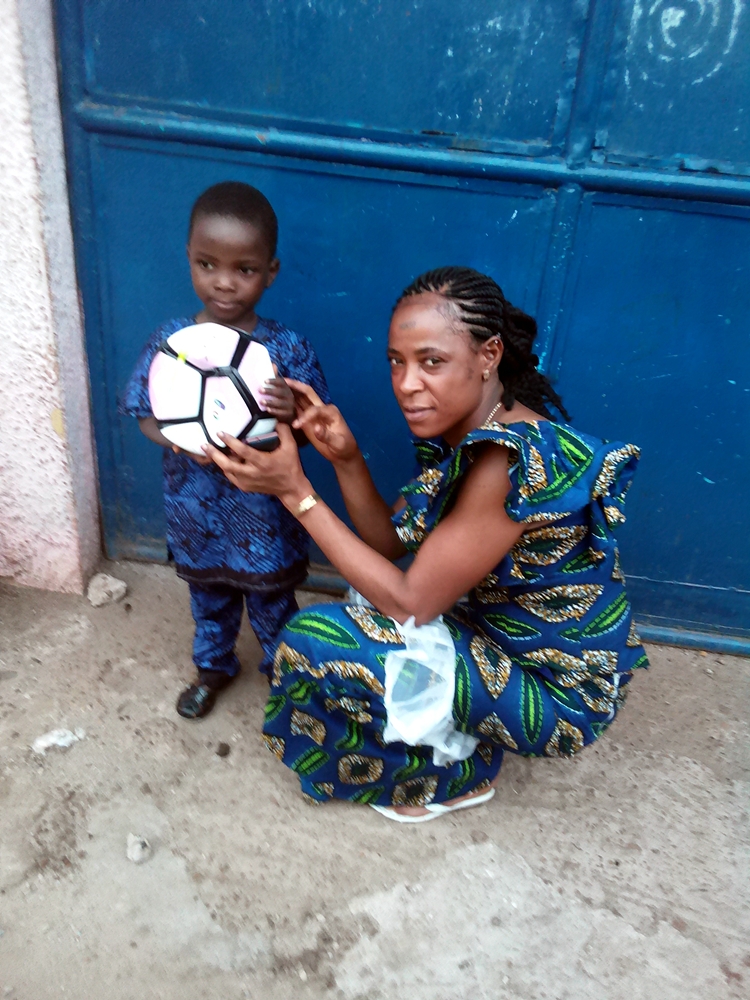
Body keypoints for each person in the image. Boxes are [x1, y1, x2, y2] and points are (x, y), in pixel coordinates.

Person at [206, 266, 648, 821]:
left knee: (318, 640)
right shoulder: (469, 431)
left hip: (557, 697)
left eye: (431, 362)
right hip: (498, 640)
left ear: (489, 355)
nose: (407, 383)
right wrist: (345, 458)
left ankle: (457, 776)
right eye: (397, 361)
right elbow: (390, 542)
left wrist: (295, 493)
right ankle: (456, 724)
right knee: (365, 595)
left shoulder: (509, 462)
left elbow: (411, 603)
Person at [119, 181, 330, 719]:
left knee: (273, 603)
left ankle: (287, 678)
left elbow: (317, 426)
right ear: (189, 259)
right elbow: (146, 415)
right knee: (208, 598)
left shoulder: (286, 348)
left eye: (245, 269)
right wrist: (183, 441)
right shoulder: (172, 345)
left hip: (264, 514)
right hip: (196, 511)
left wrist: (292, 409)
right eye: (207, 264)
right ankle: (212, 668)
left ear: (271, 272)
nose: (224, 282)